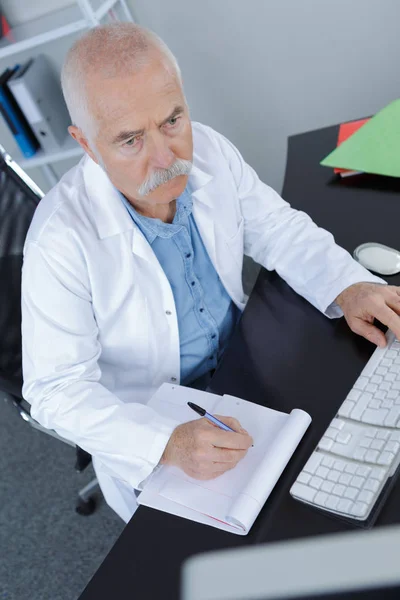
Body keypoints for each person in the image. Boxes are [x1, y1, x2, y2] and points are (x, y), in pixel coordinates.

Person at [21, 23, 400, 523]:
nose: (166, 158)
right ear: (86, 145)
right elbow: (54, 392)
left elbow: (276, 228)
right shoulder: (60, 241)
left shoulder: (213, 154)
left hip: (248, 367)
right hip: (156, 421)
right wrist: (164, 442)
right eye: (130, 140)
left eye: (172, 120)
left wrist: (348, 284)